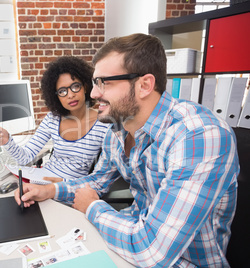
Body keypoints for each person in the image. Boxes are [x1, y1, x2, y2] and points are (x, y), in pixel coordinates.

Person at [15, 33, 240, 267]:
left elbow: (152, 251)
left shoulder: (199, 136)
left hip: (179, 261)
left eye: (104, 82)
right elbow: (97, 182)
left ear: (144, 85)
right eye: (94, 83)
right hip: (130, 241)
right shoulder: (117, 130)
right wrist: (50, 191)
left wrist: (93, 207)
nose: (92, 94)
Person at [0, 56, 110, 182]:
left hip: (71, 190)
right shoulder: (53, 119)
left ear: (85, 87)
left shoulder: (104, 122)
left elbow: (101, 178)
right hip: (42, 180)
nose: (70, 95)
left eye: (75, 86)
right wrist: (7, 141)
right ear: (56, 96)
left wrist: (64, 184)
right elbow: (25, 158)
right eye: (62, 91)